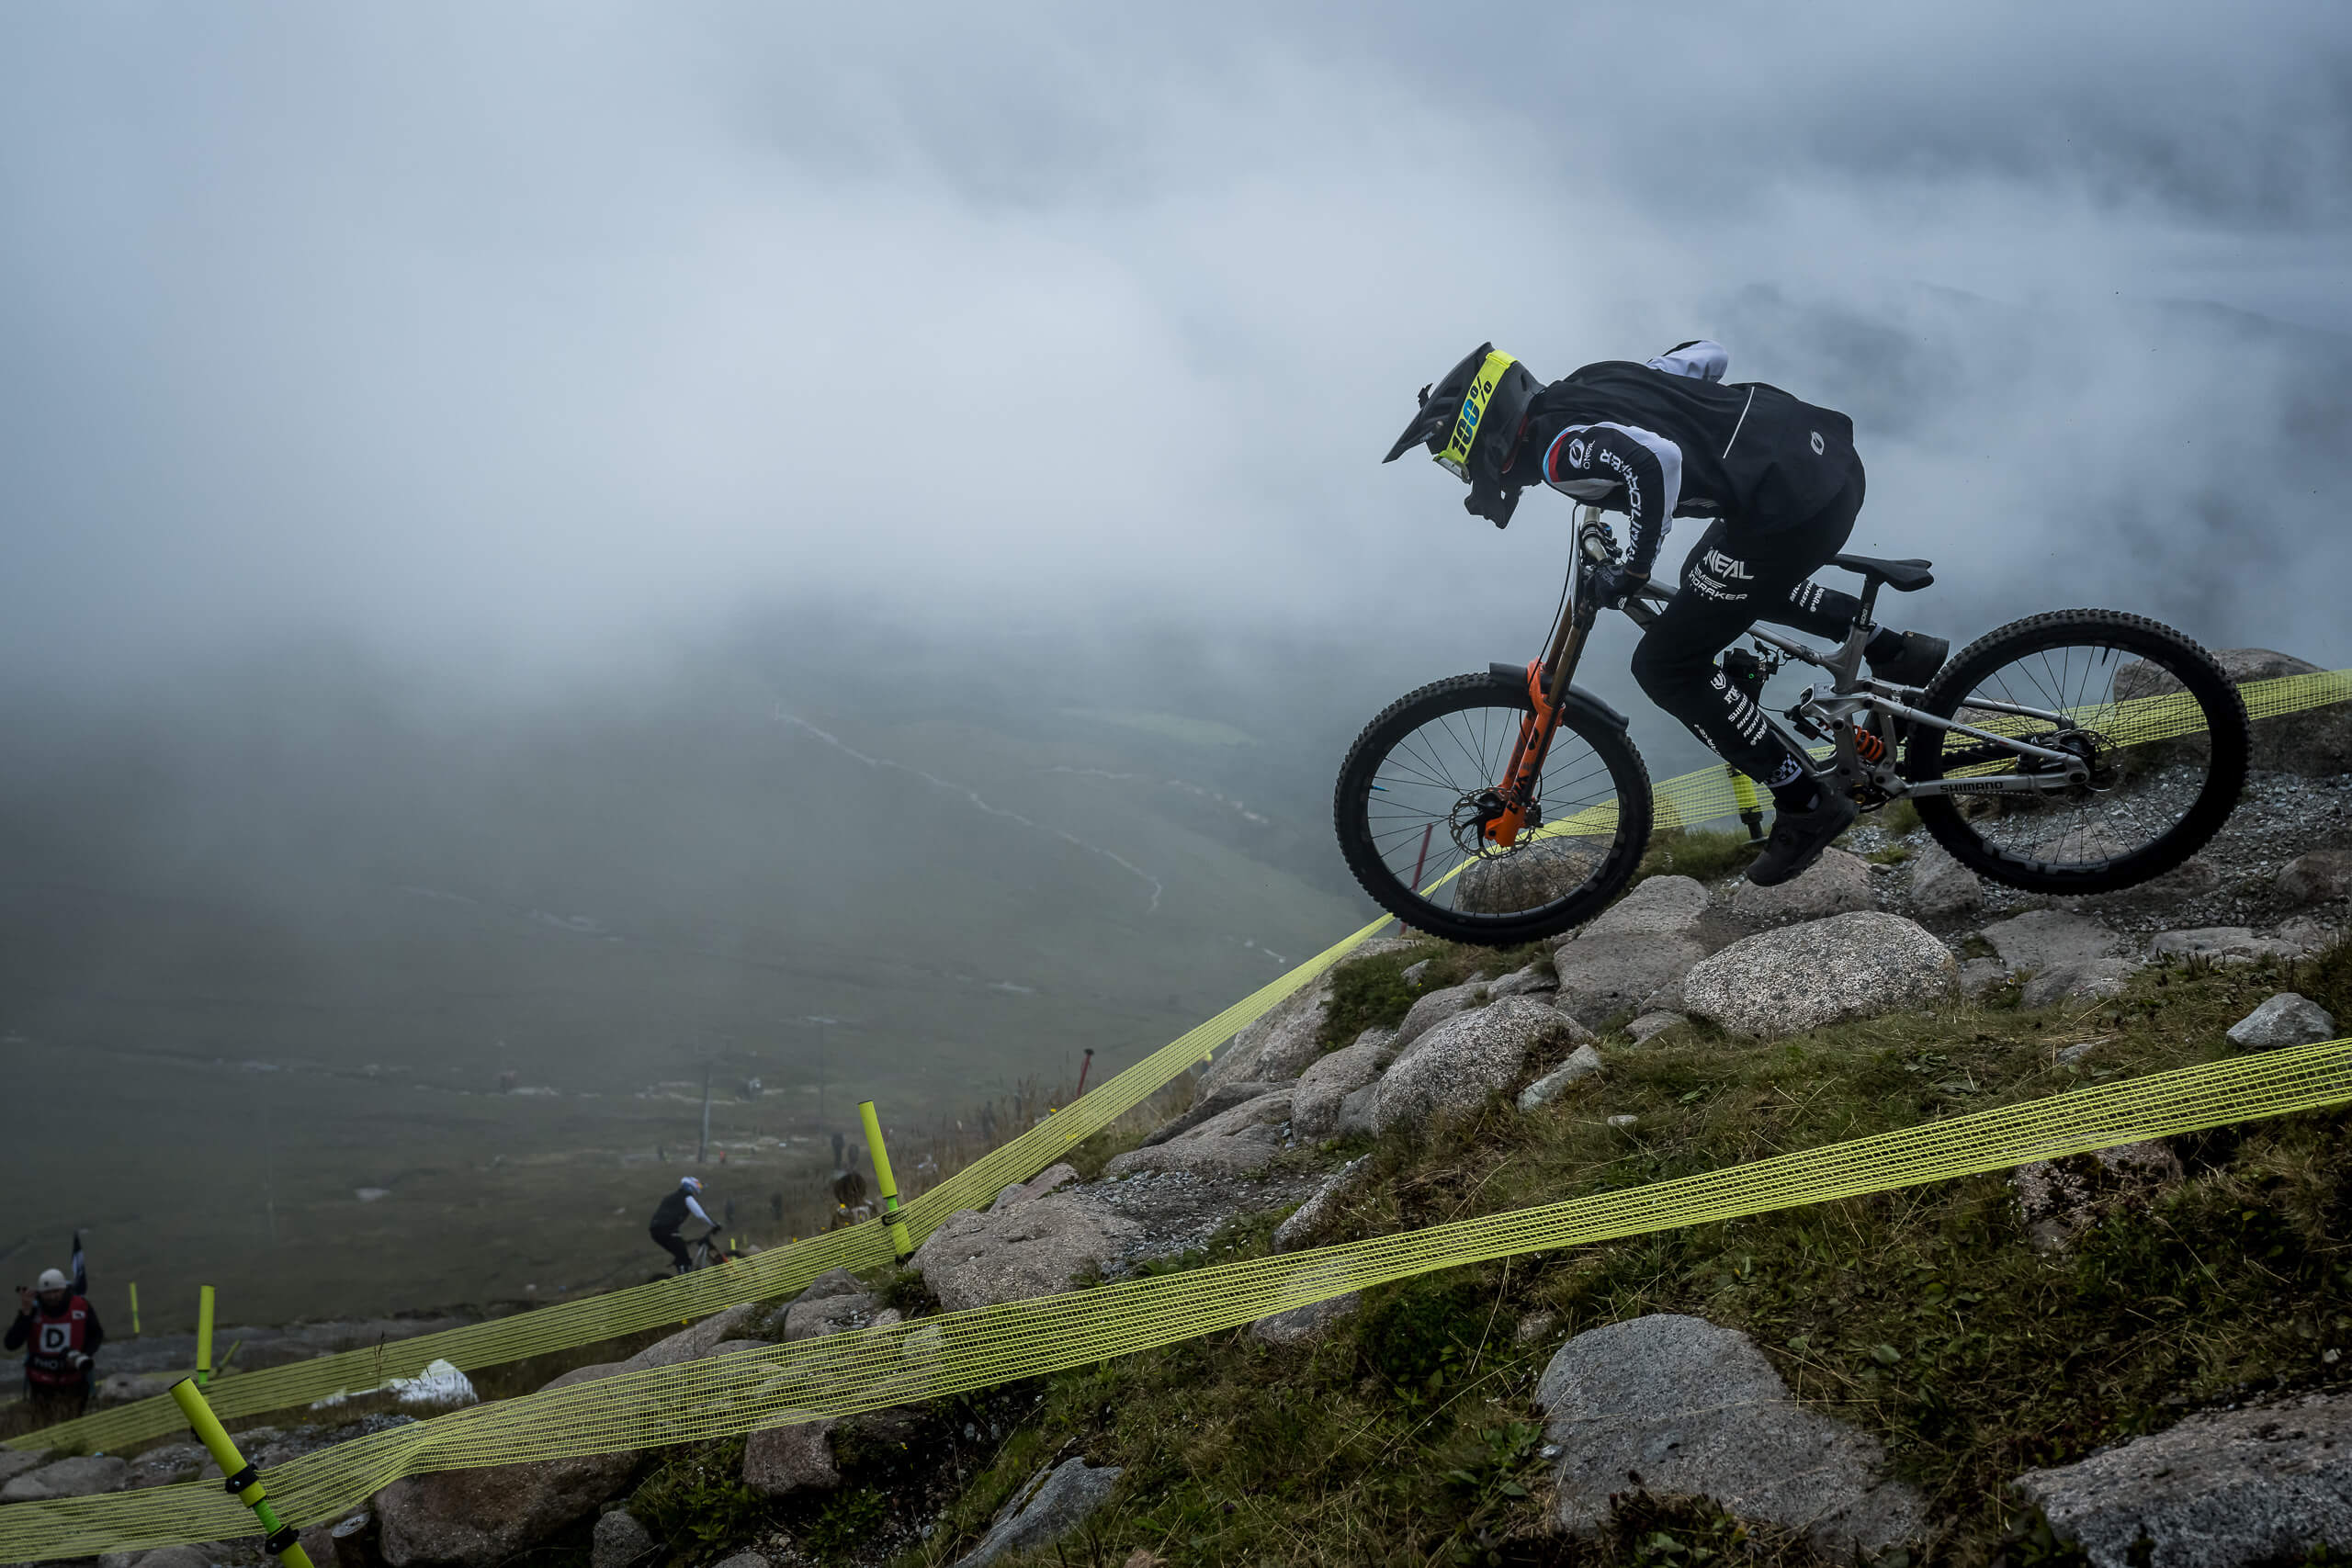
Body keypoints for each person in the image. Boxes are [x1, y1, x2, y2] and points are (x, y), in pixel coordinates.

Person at [1384, 339, 1948, 886]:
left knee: (1665, 666)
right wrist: (1660, 388)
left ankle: (1805, 801)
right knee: (1706, 577)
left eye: (1459, 463)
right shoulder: (1590, 381)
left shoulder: (1559, 453)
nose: (1469, 477)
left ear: (1482, 437)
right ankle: (1893, 651)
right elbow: (1710, 354)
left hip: (1795, 504)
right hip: (1821, 457)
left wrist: (1631, 568)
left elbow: (1656, 461)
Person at [8, 1267, 104, 1424]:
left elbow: (96, 1334)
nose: (52, 1297)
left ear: (64, 1289)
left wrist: (84, 1355)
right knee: (44, 1427)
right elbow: (11, 1344)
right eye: (47, 1293)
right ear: (40, 1293)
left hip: (75, 1381)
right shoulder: (32, 1310)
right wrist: (25, 1314)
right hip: (41, 1384)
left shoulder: (81, 1306)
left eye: (56, 1291)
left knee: (74, 1425)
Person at [648, 1176, 719, 1275]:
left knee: (680, 1254)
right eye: (698, 1184)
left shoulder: (671, 1196)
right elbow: (700, 1214)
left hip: (656, 1230)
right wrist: (713, 1224)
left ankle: (680, 1270)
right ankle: (684, 1285)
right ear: (691, 1185)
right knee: (685, 1259)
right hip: (667, 1230)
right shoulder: (687, 1197)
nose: (699, 1187)